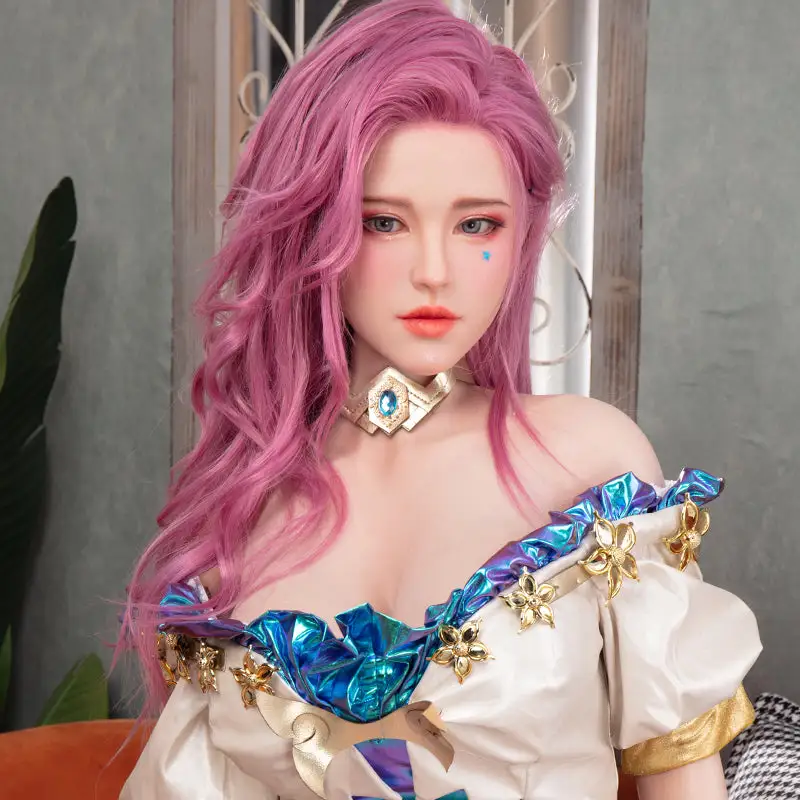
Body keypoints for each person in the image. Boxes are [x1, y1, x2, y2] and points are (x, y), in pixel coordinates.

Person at [118, 1, 761, 798]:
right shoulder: (251, 508)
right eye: (383, 223)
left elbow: (683, 779)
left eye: (477, 225)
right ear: (312, 232)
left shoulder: (589, 465)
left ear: (521, 235)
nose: (434, 271)